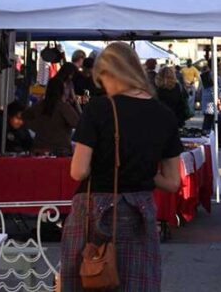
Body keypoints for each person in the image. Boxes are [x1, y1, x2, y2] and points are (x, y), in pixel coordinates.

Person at [61, 42, 182, 292]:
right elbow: (172, 182)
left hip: (96, 211)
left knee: (90, 278)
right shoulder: (164, 115)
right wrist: (143, 169)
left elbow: (78, 171)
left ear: (108, 74)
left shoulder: (100, 108)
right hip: (141, 211)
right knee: (137, 283)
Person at [23, 77, 81, 155]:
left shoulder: (39, 105)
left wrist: (36, 126)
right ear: (62, 91)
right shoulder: (63, 107)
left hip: (39, 147)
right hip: (60, 149)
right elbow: (77, 123)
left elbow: (25, 116)